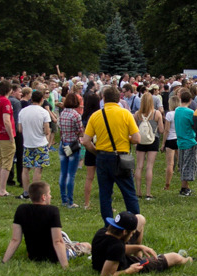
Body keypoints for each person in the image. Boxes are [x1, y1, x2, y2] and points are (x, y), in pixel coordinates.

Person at [81, 85, 141, 220]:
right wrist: (125, 138)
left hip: (102, 156)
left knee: (105, 194)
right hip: (121, 157)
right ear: (118, 98)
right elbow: (137, 138)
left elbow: (85, 141)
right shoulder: (125, 114)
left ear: (103, 98)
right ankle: (135, 224)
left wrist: (95, 151)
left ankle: (108, 226)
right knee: (129, 193)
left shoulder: (96, 115)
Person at [3, 181, 89, 267]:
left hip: (33, 256)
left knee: (63, 237)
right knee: (87, 245)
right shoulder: (52, 211)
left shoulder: (21, 209)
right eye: (49, 194)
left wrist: (4, 261)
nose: (50, 196)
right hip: (54, 257)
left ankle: (69, 243)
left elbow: (15, 239)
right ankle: (73, 246)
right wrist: (65, 267)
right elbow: (58, 241)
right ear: (44, 197)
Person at [90, 210, 189, 276]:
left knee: (140, 218)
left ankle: (139, 255)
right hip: (127, 264)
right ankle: (189, 259)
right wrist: (129, 271)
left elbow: (119, 248)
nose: (133, 234)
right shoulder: (117, 247)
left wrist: (139, 247)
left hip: (111, 254)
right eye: (132, 233)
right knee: (175, 257)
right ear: (124, 232)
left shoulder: (102, 232)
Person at [19, 89, 53, 195]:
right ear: (42, 100)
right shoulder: (44, 112)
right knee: (38, 169)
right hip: (40, 143)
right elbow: (47, 130)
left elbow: (20, 129)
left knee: (26, 168)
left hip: (27, 143)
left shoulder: (23, 111)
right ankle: (35, 192)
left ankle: (26, 191)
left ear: (31, 99)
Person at [133, 90, 165, 201]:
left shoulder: (137, 114)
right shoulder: (156, 113)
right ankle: (148, 193)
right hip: (153, 140)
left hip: (140, 141)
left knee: (139, 166)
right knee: (149, 166)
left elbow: (134, 129)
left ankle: (138, 191)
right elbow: (161, 130)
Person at [57, 92, 83, 209]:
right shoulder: (75, 115)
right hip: (72, 145)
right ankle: (70, 201)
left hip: (63, 143)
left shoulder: (62, 113)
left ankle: (63, 199)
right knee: (70, 174)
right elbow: (80, 131)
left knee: (63, 173)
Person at [0, 81, 17, 198]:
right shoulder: (5, 101)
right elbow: (6, 120)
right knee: (7, 163)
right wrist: (11, 136)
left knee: (0, 161)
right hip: (4, 136)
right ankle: (2, 189)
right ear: (10, 90)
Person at [172, 88, 197, 197]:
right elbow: (194, 125)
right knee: (188, 164)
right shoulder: (190, 112)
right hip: (189, 140)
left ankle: (186, 186)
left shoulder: (177, 110)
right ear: (190, 100)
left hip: (180, 140)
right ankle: (184, 187)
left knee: (182, 163)